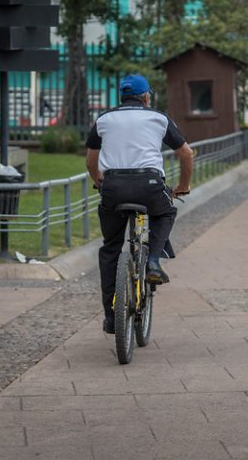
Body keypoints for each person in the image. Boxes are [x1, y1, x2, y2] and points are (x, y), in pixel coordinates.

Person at [85, 74, 194, 334]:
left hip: (113, 187)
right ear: (146, 97)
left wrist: (99, 182)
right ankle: (154, 261)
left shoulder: (103, 120)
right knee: (166, 212)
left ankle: (111, 318)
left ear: (121, 97)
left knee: (110, 248)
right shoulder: (158, 118)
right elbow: (186, 153)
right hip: (151, 186)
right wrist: (183, 186)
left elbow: (91, 161)